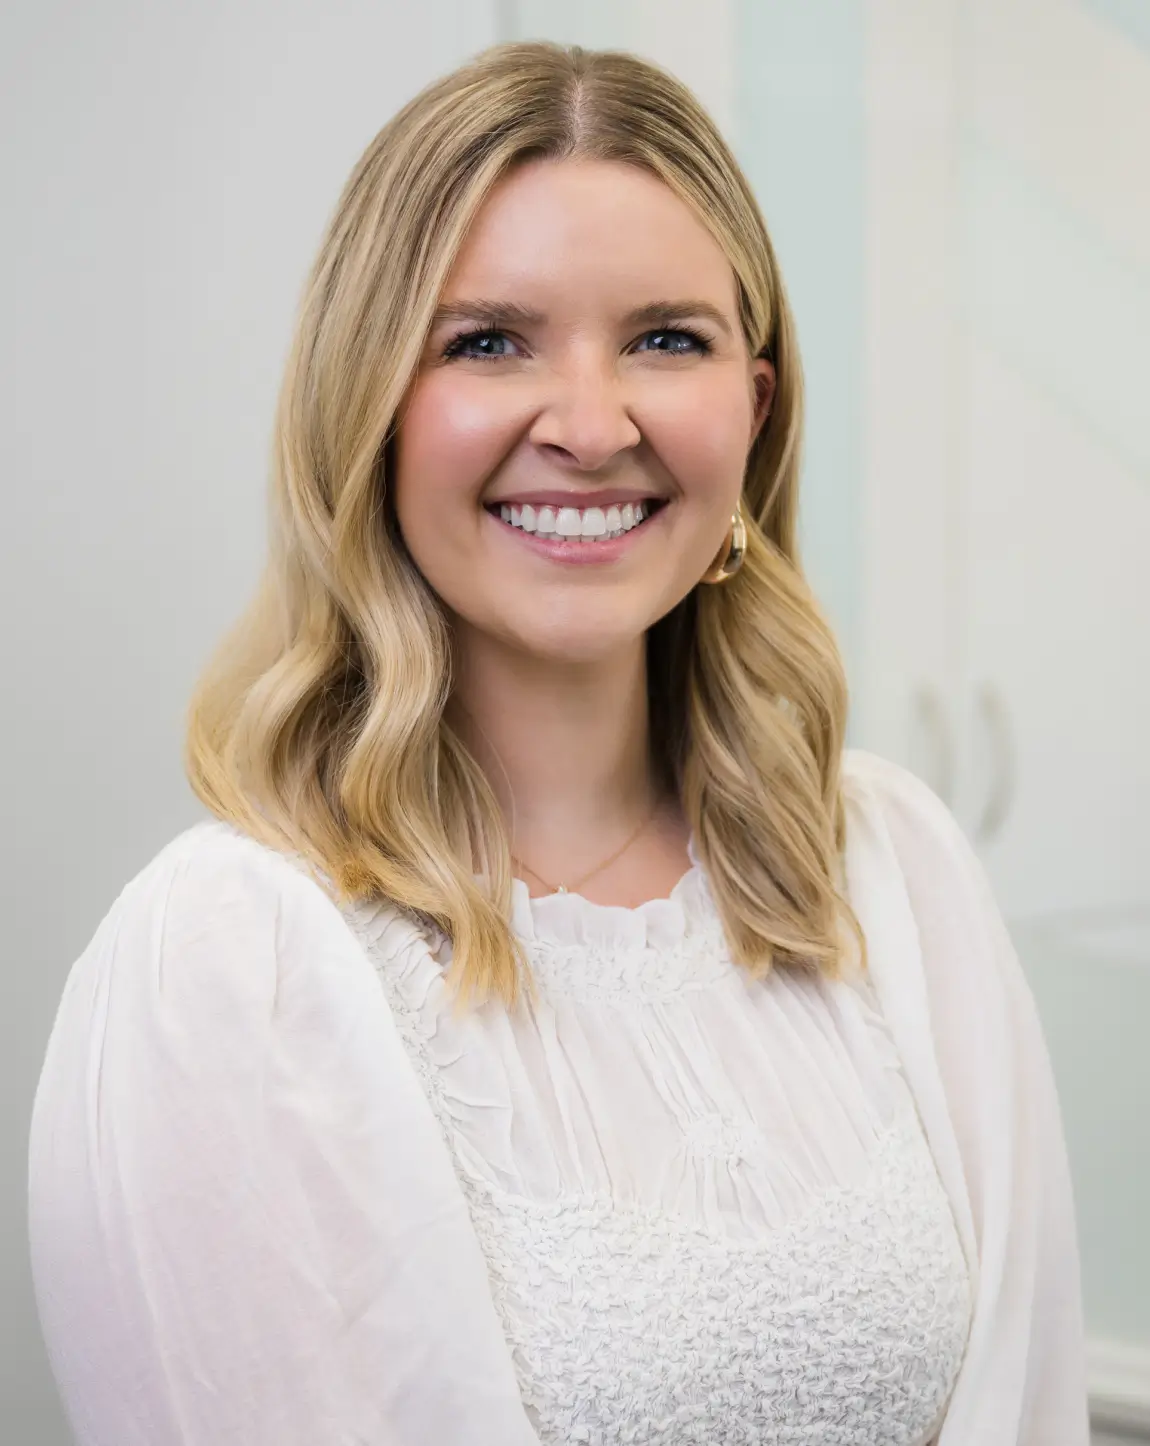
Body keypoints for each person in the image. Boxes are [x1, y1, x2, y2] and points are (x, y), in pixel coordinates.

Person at [27, 40, 1089, 1446]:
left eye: (666, 338)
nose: (591, 427)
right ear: (370, 411)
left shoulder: (891, 868)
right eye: (486, 341)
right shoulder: (231, 966)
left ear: (753, 411)